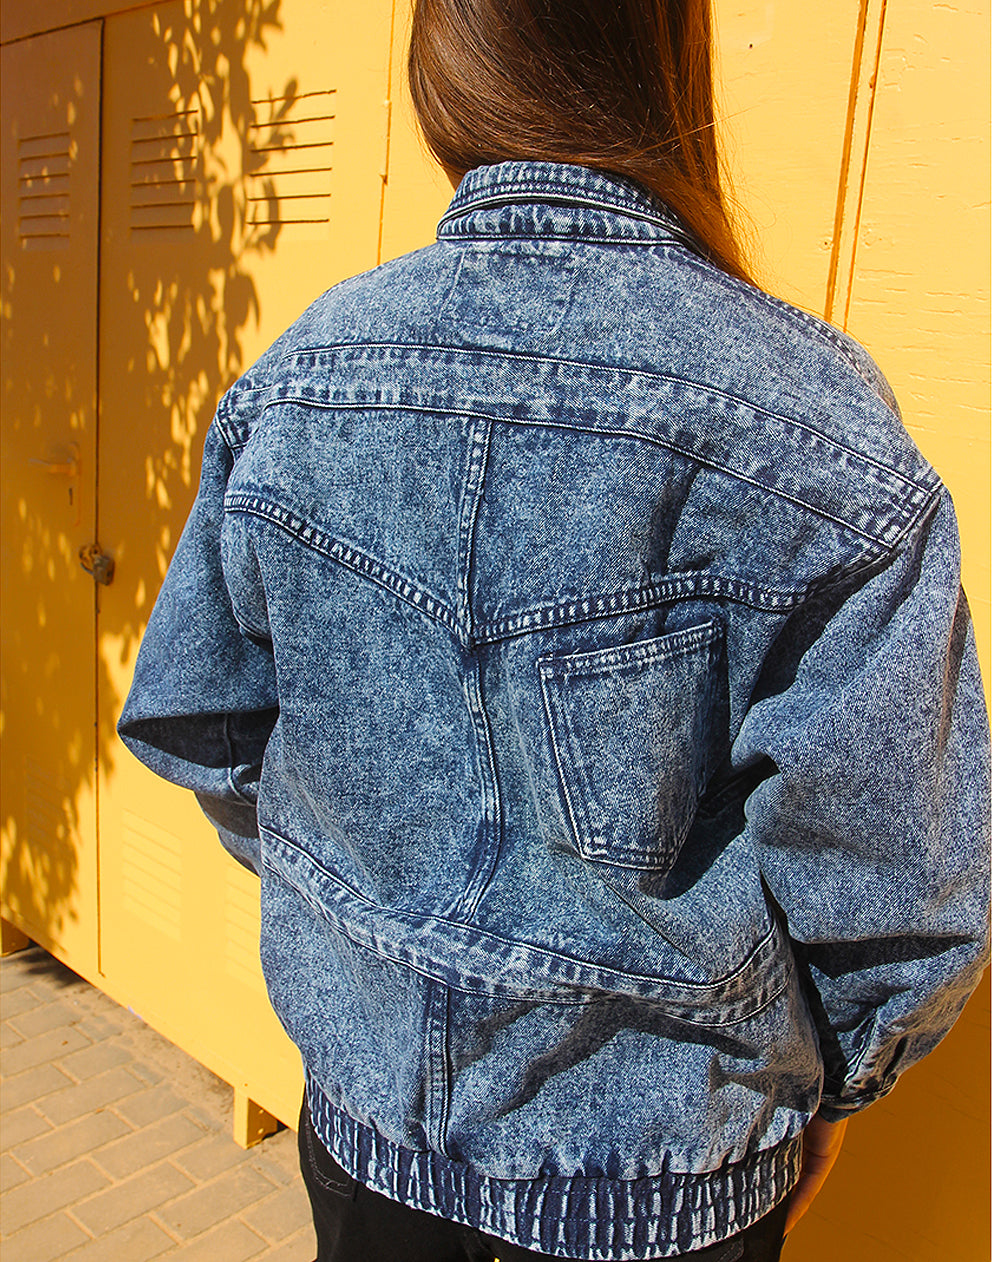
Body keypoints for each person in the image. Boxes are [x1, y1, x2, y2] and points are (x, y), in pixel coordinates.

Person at [117, 1, 991, 1258]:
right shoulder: (824, 433)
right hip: (663, 1184)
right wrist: (829, 1088)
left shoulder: (303, 379)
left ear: (444, 68)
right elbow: (895, 898)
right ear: (663, 67)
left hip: (368, 1143)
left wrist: (371, 932)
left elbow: (204, 727)